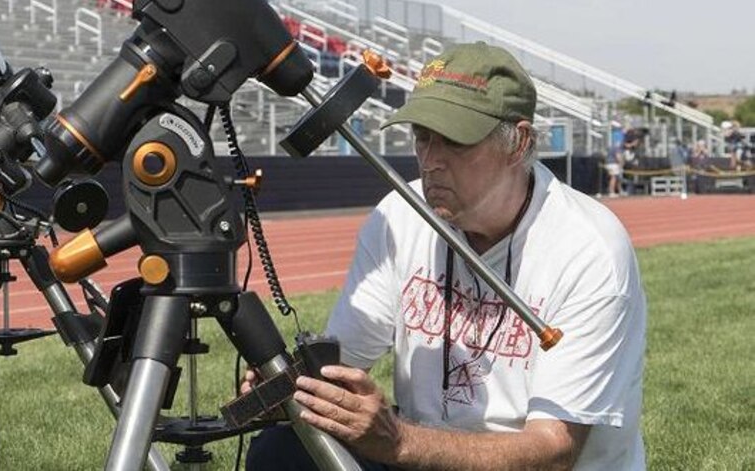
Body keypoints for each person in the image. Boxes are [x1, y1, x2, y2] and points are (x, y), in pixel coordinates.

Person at [246, 42, 646, 470]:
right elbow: (341, 364)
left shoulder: (589, 248)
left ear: (518, 143)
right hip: (429, 458)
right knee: (285, 449)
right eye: (422, 138)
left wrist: (398, 443)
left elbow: (553, 452)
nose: (431, 161)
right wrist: (294, 390)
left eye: (454, 141)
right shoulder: (399, 215)